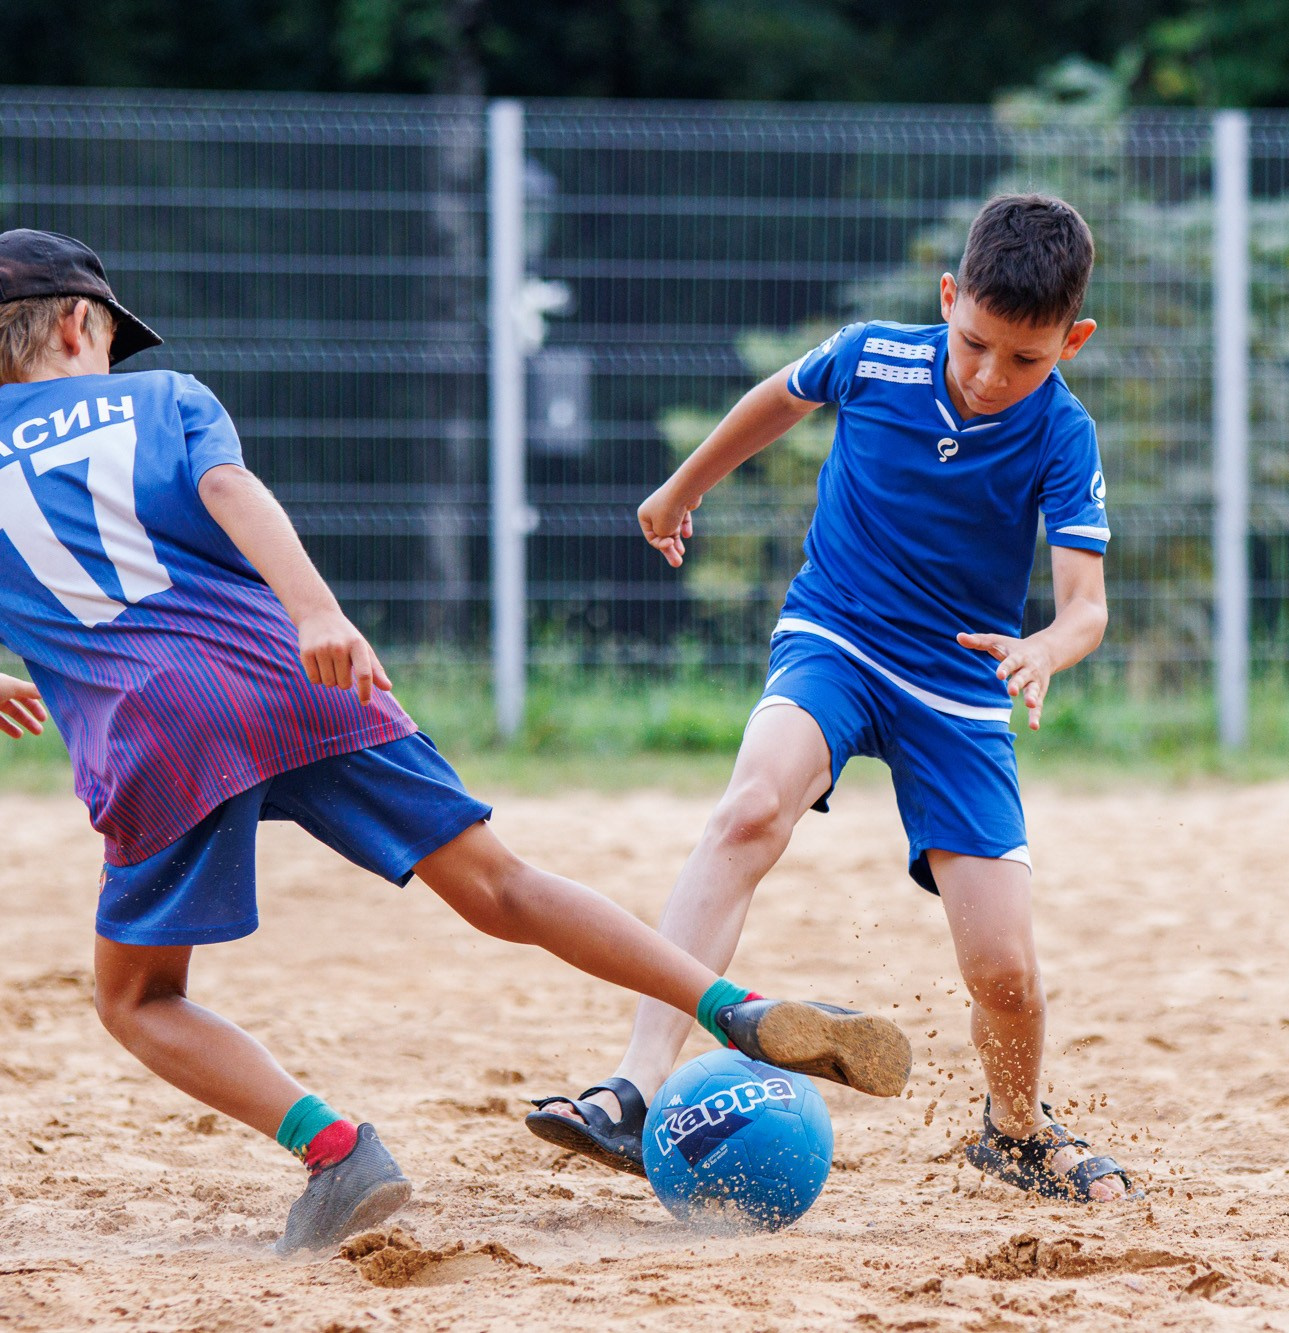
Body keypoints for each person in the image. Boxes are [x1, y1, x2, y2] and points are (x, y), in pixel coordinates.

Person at [0, 228, 910, 1255]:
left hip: (153, 735)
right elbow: (228, 491)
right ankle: (731, 1004)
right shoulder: (165, 398)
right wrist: (318, 615)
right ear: (80, 322)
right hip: (298, 675)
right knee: (501, 886)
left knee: (137, 998)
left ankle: (335, 1148)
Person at [526, 194, 1135, 1203]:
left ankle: (1015, 1130)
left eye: (1024, 360)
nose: (990, 376)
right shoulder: (872, 356)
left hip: (959, 686)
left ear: (1071, 341)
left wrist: (1044, 648)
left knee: (1006, 975)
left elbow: (1085, 607)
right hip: (836, 636)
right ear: (947, 299)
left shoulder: (1063, 436)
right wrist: (682, 488)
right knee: (749, 807)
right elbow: (777, 398)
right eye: (974, 343)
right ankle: (633, 1087)